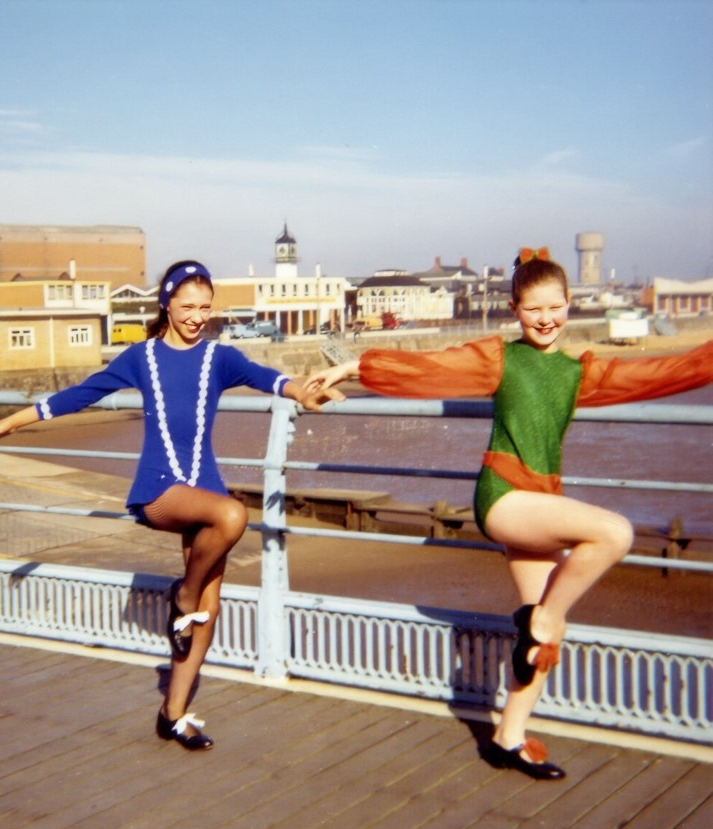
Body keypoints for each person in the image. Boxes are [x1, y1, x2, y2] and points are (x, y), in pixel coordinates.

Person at [304, 247, 712, 780]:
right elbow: (432, 369)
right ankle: (537, 618)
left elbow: (659, 372)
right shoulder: (501, 357)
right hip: (504, 499)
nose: (546, 319)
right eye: (534, 309)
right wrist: (357, 366)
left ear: (569, 305)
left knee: (549, 636)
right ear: (516, 311)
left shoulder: (578, 371)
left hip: (539, 506)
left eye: (556, 307)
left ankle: (507, 736)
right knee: (614, 532)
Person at [0, 260, 338, 751]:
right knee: (232, 516)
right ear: (165, 304)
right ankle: (181, 597)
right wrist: (9, 423)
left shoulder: (219, 357)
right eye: (187, 306)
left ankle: (174, 712)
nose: (196, 317)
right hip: (159, 489)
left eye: (205, 308)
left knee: (209, 609)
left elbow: (268, 377)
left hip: (202, 486)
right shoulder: (140, 357)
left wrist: (302, 393)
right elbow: (79, 395)